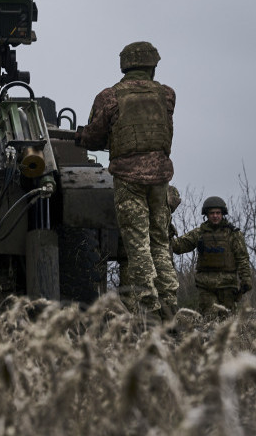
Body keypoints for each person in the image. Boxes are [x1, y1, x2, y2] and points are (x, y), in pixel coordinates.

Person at [77, 41, 178, 320]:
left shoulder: (109, 96)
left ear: (125, 65)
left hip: (128, 178)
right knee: (159, 241)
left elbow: (95, 136)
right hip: (160, 177)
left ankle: (150, 307)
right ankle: (170, 301)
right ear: (151, 65)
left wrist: (81, 136)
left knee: (138, 245)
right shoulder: (167, 95)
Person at [172, 196, 253, 317]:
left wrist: (246, 279)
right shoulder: (200, 233)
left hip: (227, 285)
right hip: (206, 285)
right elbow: (179, 246)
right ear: (207, 215)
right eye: (212, 213)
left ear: (222, 214)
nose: (215, 216)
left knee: (228, 322)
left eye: (218, 213)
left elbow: (242, 258)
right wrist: (165, 232)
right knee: (209, 319)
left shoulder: (233, 234)